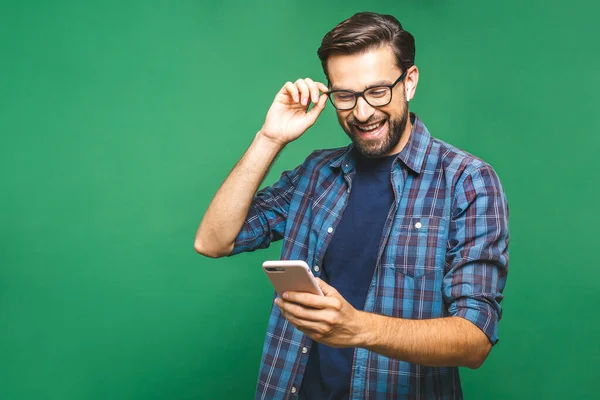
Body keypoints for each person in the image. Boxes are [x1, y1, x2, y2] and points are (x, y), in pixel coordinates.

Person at [194, 11, 509, 400]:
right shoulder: (316, 173)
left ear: (409, 82)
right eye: (344, 95)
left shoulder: (467, 180)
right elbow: (213, 240)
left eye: (377, 91)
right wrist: (270, 138)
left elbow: (475, 339)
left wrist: (358, 328)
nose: (362, 113)